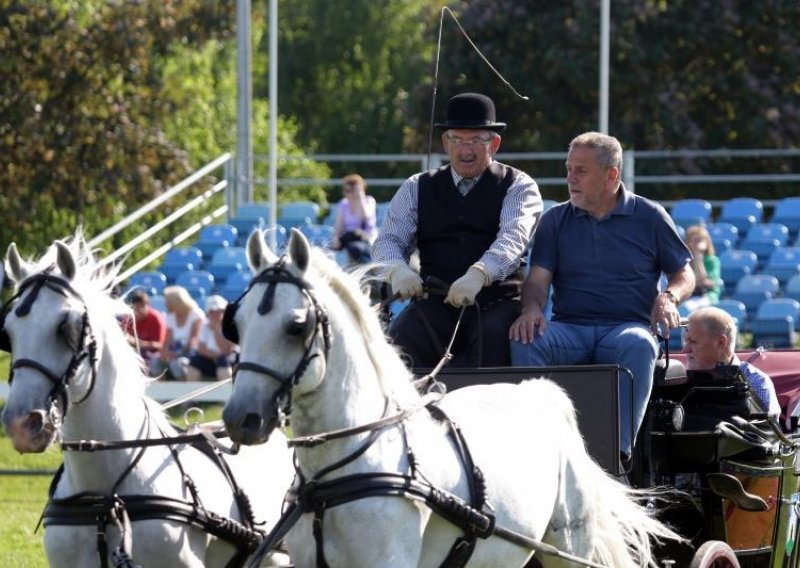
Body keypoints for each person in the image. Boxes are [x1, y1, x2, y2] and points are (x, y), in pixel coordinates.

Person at [509, 131, 695, 461]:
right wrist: (532, 308)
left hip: (626, 329)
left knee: (639, 343)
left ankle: (616, 454)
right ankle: (536, 451)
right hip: (570, 330)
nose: (570, 178)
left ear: (611, 174)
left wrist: (668, 297)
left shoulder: (649, 216)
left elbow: (684, 274)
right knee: (526, 337)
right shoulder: (555, 220)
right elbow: (537, 281)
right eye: (569, 169)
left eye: (581, 170)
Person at [372, 92, 543, 368]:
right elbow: (388, 241)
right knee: (396, 350)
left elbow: (514, 238)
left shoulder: (519, 186)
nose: (466, 150)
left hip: (496, 303)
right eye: (458, 140)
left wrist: (481, 273)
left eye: (476, 140)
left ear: (494, 143)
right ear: (445, 142)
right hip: (435, 302)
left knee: (494, 344)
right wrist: (396, 270)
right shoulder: (416, 186)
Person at [684, 306, 780, 419]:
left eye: (693, 342)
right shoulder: (677, 381)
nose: (685, 350)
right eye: (686, 341)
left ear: (721, 342)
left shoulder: (755, 382)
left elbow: (766, 433)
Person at [151, 285, 205, 380]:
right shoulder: (171, 317)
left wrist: (178, 354)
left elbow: (194, 340)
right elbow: (167, 340)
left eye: (168, 302)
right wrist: (164, 352)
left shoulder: (196, 315)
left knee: (176, 364)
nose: (165, 304)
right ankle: (160, 390)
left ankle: (183, 390)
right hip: (175, 351)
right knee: (155, 361)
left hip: (191, 353)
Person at [186, 295, 238, 381]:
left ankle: (226, 391)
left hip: (228, 361)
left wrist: (216, 330)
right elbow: (202, 349)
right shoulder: (204, 326)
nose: (215, 314)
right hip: (211, 360)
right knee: (194, 362)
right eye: (212, 311)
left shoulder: (230, 326)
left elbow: (227, 350)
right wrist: (216, 356)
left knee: (223, 362)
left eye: (219, 311)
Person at [331, 173, 378, 264]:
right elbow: (338, 226)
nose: (346, 193)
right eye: (345, 190)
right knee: (329, 248)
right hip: (348, 238)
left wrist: (359, 195)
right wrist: (335, 239)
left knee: (354, 248)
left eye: (349, 190)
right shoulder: (344, 204)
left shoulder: (369, 201)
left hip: (365, 237)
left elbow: (366, 216)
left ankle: (369, 269)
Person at [122, 289, 167, 376]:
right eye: (135, 308)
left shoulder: (156, 318)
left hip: (152, 356)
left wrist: (136, 342)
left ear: (148, 306)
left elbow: (159, 345)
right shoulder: (128, 318)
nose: (138, 311)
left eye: (142, 307)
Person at [682, 224, 721, 312]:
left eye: (700, 240)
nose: (697, 244)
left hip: (707, 295)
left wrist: (698, 257)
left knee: (688, 307)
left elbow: (705, 282)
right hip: (688, 296)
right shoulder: (684, 260)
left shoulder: (712, 260)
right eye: (694, 241)